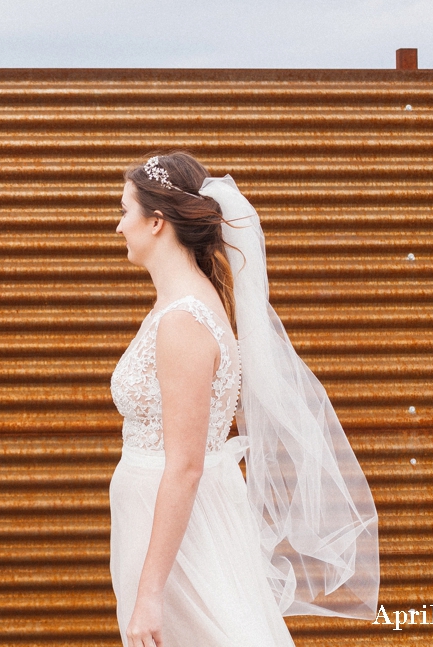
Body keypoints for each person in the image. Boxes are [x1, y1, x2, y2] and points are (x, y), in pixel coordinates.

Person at [110, 153, 379, 646]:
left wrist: (150, 591)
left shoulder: (184, 320)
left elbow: (186, 464)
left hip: (179, 535)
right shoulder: (184, 304)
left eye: (124, 210)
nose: (115, 225)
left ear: (156, 221)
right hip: (162, 522)